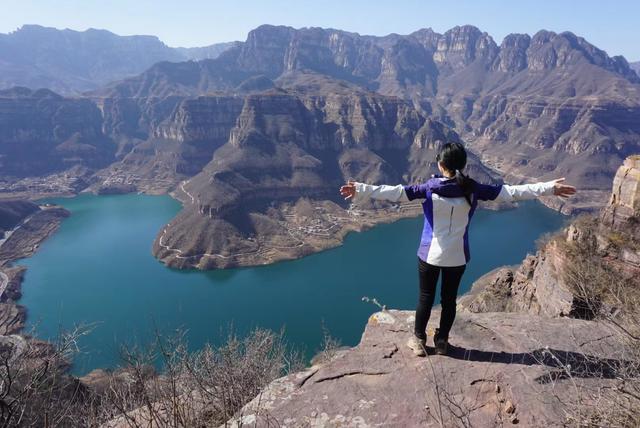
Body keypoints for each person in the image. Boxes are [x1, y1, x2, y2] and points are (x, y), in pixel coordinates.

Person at [339, 142, 576, 356]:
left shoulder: (428, 189)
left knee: (425, 298)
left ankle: (419, 341)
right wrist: (548, 188)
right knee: (449, 300)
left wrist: (359, 188)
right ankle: (442, 342)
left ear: (440, 165)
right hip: (458, 256)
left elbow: (394, 192)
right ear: (463, 165)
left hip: (429, 255)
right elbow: (513, 192)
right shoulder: (473, 189)